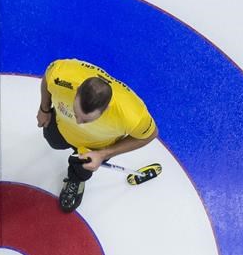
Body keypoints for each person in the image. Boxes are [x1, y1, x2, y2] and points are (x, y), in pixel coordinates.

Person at [37, 58, 158, 212]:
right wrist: (44, 109)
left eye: (86, 120)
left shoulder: (132, 114)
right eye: (76, 113)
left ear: (106, 108)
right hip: (61, 127)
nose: (78, 122)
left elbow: (149, 135)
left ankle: (76, 180)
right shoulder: (62, 75)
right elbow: (48, 78)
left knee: (81, 170)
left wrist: (103, 154)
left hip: (95, 148)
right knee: (53, 141)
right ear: (77, 91)